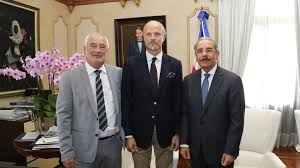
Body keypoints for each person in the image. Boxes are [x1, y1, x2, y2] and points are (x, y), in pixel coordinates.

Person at [56, 32, 124, 168]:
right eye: (93, 46)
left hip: (113, 146)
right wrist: (66, 151)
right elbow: (63, 117)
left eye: (102, 46)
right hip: (82, 148)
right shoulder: (69, 78)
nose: (98, 50)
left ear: (107, 50)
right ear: (85, 50)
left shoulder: (118, 74)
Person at [121, 20, 182, 168]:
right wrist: (128, 134)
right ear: (142, 36)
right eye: (149, 34)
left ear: (164, 36)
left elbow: (178, 102)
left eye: (157, 34)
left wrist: (178, 132)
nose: (153, 38)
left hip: (167, 133)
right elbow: (125, 101)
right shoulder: (130, 64)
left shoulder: (175, 64)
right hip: (139, 133)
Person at [180, 37, 245, 168]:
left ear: (217, 54)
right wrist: (184, 143)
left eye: (209, 50)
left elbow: (236, 120)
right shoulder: (188, 80)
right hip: (195, 152)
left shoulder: (232, 81)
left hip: (221, 152)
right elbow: (185, 115)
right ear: (196, 55)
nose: (204, 54)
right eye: (200, 51)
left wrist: (231, 150)